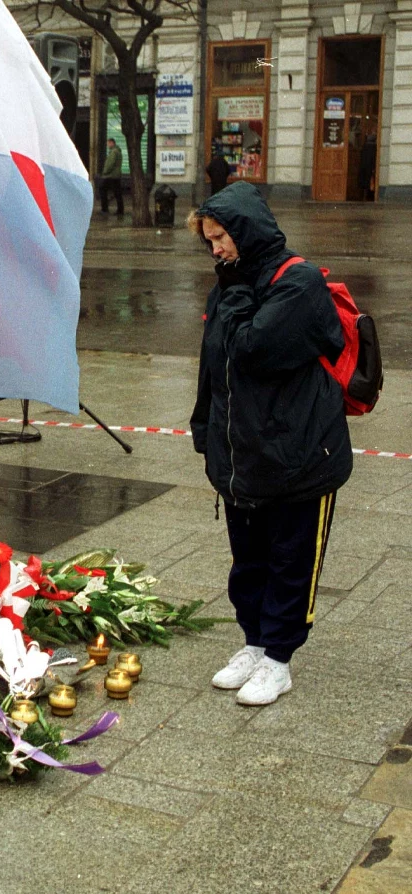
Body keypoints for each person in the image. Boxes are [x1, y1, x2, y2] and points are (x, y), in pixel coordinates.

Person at [188, 181, 351, 707]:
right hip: (244, 454)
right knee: (249, 559)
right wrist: (205, 425)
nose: (215, 250)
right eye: (209, 240)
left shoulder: (297, 283)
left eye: (221, 238)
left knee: (291, 560)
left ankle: (279, 659)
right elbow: (214, 364)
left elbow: (254, 349)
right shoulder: (230, 283)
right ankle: (255, 644)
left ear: (246, 231)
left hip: (301, 455)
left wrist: (235, 292)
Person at [99, 137, 123, 215]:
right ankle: (120, 210)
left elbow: (110, 164)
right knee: (117, 193)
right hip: (116, 175)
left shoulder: (113, 152)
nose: (107, 145)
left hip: (110, 176)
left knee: (102, 190)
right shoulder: (118, 151)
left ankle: (104, 209)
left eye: (108, 143)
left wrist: (105, 172)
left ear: (112, 143)